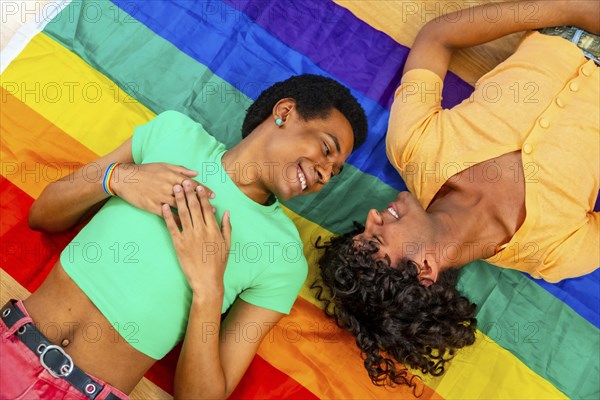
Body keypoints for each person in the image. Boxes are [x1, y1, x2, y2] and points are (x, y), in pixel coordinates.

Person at [0, 74, 368, 399]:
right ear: (285, 113)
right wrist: (118, 178)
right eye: (326, 149)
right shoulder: (173, 134)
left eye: (333, 173)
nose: (323, 174)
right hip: (9, 341)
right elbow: (42, 216)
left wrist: (209, 288)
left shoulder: (284, 258)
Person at [316, 0, 599, 388]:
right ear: (426, 271)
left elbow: (438, 37)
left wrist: (570, 11)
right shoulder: (555, 253)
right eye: (377, 239)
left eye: (363, 229)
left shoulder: (413, 149)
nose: (371, 217)